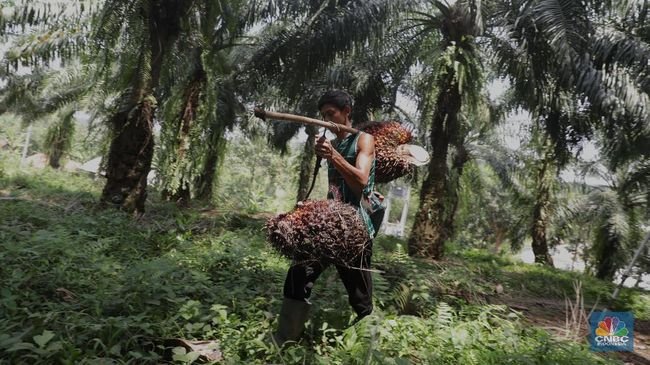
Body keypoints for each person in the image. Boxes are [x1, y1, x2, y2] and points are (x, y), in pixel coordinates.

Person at [273, 90, 377, 345]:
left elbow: (361, 183)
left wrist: (333, 155)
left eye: (331, 114)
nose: (327, 120)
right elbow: (335, 190)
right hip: (331, 227)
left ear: (347, 112)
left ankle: (368, 346)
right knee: (298, 274)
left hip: (356, 230)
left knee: (361, 298)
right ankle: (285, 341)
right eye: (323, 116)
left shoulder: (364, 140)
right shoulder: (334, 143)